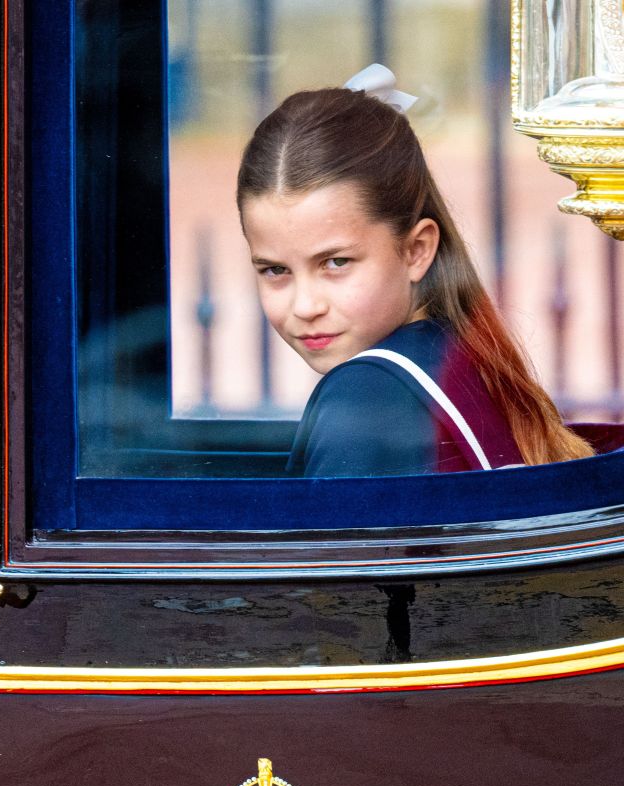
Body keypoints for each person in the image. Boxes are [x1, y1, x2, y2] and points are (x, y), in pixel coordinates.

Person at [236, 65, 594, 478]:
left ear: (416, 250)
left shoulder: (365, 396)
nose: (305, 305)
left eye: (336, 263)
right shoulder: (463, 351)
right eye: (275, 270)